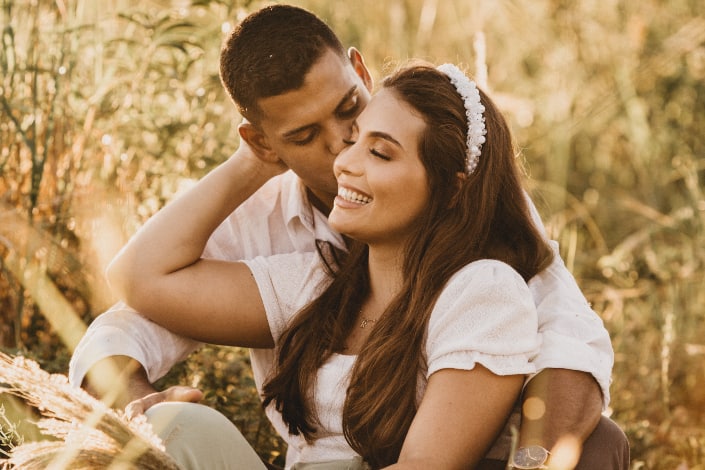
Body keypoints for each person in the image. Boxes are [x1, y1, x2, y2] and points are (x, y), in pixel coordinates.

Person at [69, 5, 628, 469]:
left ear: (361, 73)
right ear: (264, 142)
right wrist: (251, 165)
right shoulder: (296, 265)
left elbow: (565, 338)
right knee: (175, 425)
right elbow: (135, 296)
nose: (341, 152)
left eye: (356, 122)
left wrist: (535, 462)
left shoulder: (480, 245)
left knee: (598, 441)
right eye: (305, 135)